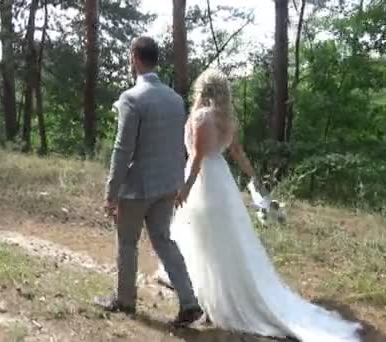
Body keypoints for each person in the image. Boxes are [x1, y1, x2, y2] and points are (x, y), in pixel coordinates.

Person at [169, 68, 363, 341]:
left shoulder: (201, 117)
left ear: (202, 89)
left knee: (206, 238)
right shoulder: (225, 119)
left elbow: (198, 157)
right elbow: (237, 153)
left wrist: (186, 188)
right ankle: (210, 290)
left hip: (204, 182)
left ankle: (211, 295)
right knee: (222, 240)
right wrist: (254, 177)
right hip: (221, 180)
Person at [96, 36, 204, 326]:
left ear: (135, 58)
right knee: (164, 241)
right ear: (156, 59)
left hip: (137, 188)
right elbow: (176, 145)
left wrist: (111, 192)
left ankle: (125, 301)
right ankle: (189, 301)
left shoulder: (132, 98)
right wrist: (178, 183)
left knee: (128, 242)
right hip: (167, 185)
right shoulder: (175, 99)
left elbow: (122, 150)